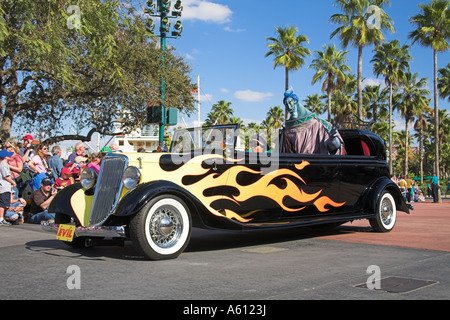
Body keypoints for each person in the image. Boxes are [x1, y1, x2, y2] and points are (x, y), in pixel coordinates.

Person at [0, 149, 16, 226]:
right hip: (3, 187)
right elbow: (6, 176)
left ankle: (2, 218)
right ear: (5, 157)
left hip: (6, 187)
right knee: (2, 204)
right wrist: (12, 182)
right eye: (8, 155)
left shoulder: (4, 164)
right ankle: (1, 219)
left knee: (5, 204)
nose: (10, 156)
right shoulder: (3, 164)